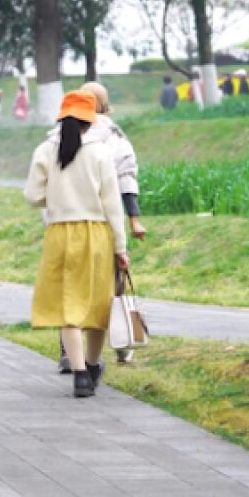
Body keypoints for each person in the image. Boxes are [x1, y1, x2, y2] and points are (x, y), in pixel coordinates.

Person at [24, 91, 130, 398]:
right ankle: (94, 364)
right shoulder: (99, 153)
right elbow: (113, 205)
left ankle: (79, 373)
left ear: (61, 117)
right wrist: (120, 248)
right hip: (97, 233)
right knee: (98, 302)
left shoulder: (45, 150)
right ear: (90, 121)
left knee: (68, 303)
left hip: (59, 233)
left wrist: (56, 198)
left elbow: (32, 196)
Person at [54, 82, 146, 372]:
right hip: (105, 224)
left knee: (70, 289)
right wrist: (134, 219)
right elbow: (126, 179)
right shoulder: (114, 137)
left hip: (66, 225)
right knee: (111, 286)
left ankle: (70, 354)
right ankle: (120, 345)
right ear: (105, 106)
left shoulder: (55, 137)